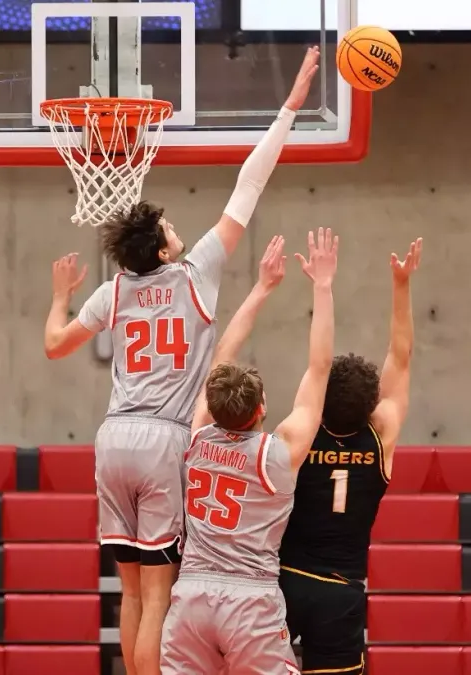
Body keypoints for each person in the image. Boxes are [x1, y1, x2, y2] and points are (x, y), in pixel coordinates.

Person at [41, 46, 321, 675]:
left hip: (112, 439)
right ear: (165, 248)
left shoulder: (112, 291)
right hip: (167, 439)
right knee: (161, 592)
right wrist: (290, 108)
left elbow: (56, 344)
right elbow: (248, 185)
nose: (177, 227)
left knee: (132, 592)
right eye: (170, 224)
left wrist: (59, 295)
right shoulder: (195, 274)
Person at [160, 228, 337, 675]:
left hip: (191, 598)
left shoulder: (196, 438)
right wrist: (322, 285)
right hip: (249, 598)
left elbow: (221, 354)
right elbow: (319, 370)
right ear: (262, 409)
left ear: (213, 405)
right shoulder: (278, 454)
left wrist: (261, 287)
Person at [278, 238, 423, 675]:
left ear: (321, 401)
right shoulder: (382, 436)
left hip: (284, 580)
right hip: (341, 591)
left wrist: (323, 285)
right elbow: (401, 355)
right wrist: (402, 284)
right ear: (371, 406)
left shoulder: (303, 432)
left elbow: (317, 364)